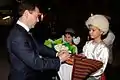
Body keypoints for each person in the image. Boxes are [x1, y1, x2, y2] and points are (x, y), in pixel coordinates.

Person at [7, 2, 70, 80]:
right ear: (26, 14)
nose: (37, 20)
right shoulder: (18, 36)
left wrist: (56, 53)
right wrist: (59, 60)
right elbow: (36, 63)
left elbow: (38, 46)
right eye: (36, 16)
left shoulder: (22, 31)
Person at [82, 14, 109, 80]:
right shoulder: (88, 44)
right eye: (90, 30)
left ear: (101, 31)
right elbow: (84, 56)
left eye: (93, 30)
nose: (90, 32)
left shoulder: (103, 48)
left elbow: (101, 68)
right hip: (83, 74)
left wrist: (88, 73)